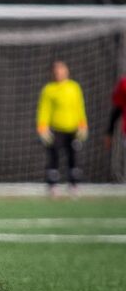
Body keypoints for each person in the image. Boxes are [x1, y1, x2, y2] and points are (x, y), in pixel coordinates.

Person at [36, 60, 88, 196]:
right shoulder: (49, 89)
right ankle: (53, 186)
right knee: (54, 157)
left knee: (73, 157)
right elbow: (44, 110)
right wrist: (42, 127)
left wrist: (83, 126)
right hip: (56, 129)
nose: (59, 73)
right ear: (53, 73)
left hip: (73, 129)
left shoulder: (74, 87)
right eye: (56, 71)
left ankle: (74, 185)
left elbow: (80, 107)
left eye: (61, 70)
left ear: (67, 71)